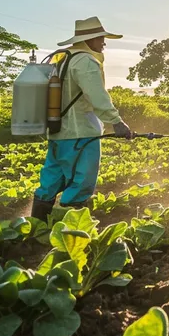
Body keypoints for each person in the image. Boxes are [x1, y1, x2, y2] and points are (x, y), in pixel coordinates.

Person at [30, 16, 134, 221]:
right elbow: (97, 96)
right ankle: (70, 230)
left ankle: (37, 229)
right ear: (89, 40)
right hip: (81, 133)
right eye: (100, 38)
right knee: (81, 181)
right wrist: (116, 121)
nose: (103, 43)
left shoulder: (61, 58)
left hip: (57, 131)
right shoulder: (85, 61)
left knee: (51, 179)